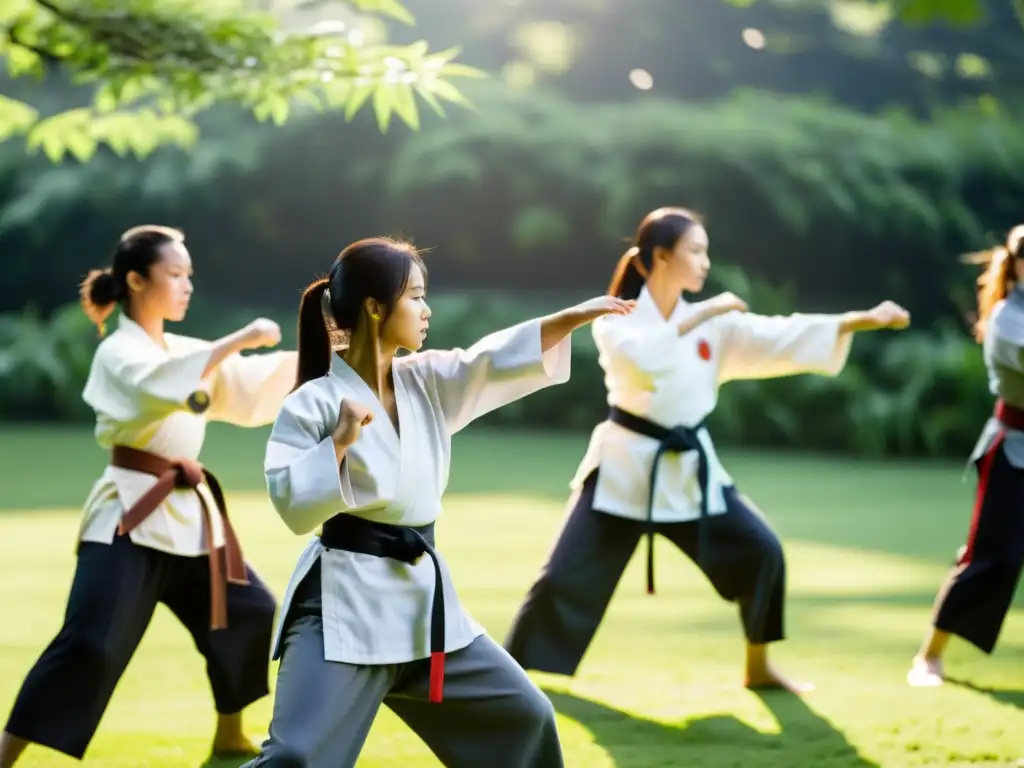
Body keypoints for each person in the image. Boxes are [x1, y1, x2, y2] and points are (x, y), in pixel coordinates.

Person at [239, 236, 634, 768]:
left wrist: (570, 318)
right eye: (416, 297)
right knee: (297, 758)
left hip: (421, 607)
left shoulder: (424, 380)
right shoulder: (315, 402)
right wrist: (338, 444)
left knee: (524, 718)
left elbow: (487, 362)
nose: (426, 310)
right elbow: (291, 504)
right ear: (375, 308)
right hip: (343, 608)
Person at [503, 206, 911, 694]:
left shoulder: (713, 329)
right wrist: (706, 311)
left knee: (762, 552)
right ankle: (511, 683)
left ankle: (759, 667)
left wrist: (863, 320)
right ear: (661, 256)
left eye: (705, 251)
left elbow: (780, 334)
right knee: (560, 579)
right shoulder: (618, 319)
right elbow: (644, 360)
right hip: (623, 470)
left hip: (690, 472)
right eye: (695, 251)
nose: (705, 262)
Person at [0, 225, 298, 767]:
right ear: (136, 280)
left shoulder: (184, 351)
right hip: (128, 517)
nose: (187, 286)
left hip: (189, 517)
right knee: (90, 643)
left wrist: (327, 351)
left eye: (189, 275)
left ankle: (230, 734)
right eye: (175, 274)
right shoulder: (119, 352)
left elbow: (253, 382)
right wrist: (237, 339)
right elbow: (157, 386)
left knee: (249, 611)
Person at [907, 224, 1024, 688]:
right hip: (1013, 450)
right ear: (1017, 265)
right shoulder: (1007, 317)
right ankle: (928, 657)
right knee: (990, 557)